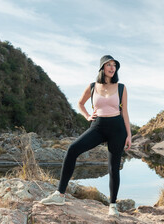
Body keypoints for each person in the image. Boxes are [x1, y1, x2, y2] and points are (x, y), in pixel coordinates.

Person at [40, 55, 132, 217]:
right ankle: (60, 195)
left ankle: (113, 205)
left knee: (113, 166)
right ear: (102, 67)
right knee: (72, 149)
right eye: (108, 65)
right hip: (98, 126)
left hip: (117, 128)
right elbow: (80, 103)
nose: (112, 68)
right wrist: (87, 116)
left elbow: (125, 112)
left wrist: (129, 135)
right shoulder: (92, 86)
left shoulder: (121, 87)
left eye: (114, 65)